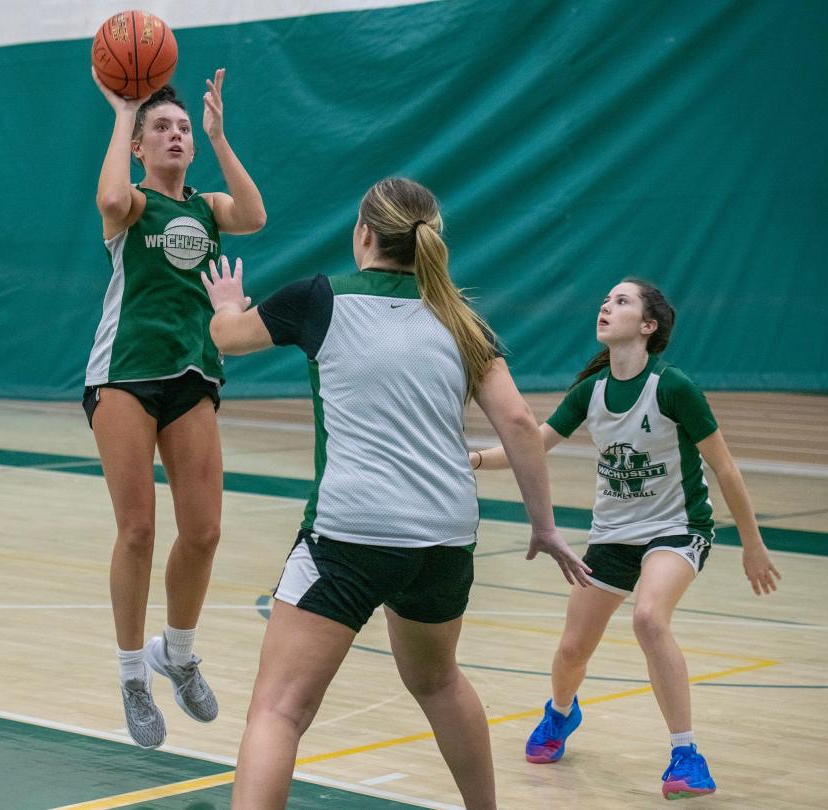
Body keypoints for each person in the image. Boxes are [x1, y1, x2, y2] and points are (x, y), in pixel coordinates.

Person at [200, 177, 591, 810]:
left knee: (277, 711)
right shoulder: (460, 319)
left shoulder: (320, 299)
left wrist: (225, 302)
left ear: (363, 234)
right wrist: (544, 525)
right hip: (444, 539)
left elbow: (226, 339)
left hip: (348, 537)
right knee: (437, 683)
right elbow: (519, 423)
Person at [470, 278, 781, 800]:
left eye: (621, 301)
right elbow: (532, 445)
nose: (606, 306)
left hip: (677, 529)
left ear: (648, 325)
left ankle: (686, 754)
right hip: (613, 534)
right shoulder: (590, 392)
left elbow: (724, 469)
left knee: (647, 618)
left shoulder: (673, 386)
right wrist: (473, 460)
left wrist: (752, 543)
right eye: (605, 299)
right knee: (572, 650)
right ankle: (560, 715)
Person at [84, 67, 266, 749]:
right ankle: (133, 671)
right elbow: (105, 196)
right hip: (125, 375)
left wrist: (219, 137)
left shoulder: (209, 206)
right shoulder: (131, 205)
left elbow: (255, 217)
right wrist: (123, 112)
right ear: (138, 145)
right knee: (136, 530)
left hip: (192, 373)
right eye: (161, 128)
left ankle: (178, 654)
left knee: (205, 531)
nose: (174, 134)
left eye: (182, 127)